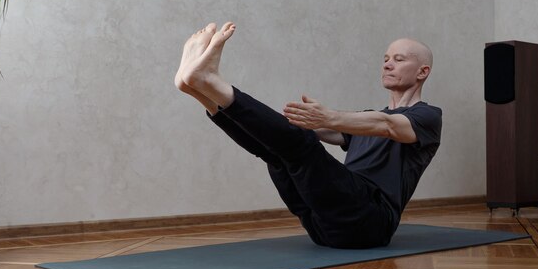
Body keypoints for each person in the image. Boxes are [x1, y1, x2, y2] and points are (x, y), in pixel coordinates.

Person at [174, 22, 441, 249]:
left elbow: (388, 126)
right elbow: (317, 131)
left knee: (300, 145)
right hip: (322, 226)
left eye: (399, 59)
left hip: (371, 223)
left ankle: (210, 81)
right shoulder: (365, 119)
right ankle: (196, 88)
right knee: (277, 152)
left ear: (422, 72)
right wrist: (286, 124)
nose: (387, 65)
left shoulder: (427, 117)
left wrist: (328, 117)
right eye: (385, 59)